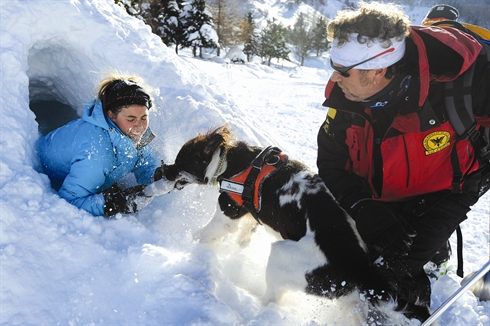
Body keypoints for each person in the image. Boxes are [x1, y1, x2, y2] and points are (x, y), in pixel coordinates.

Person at [317, 1, 490, 319]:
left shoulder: (471, 82)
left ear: (378, 70)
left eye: (342, 71)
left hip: (449, 187)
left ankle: (421, 283)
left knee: (389, 275)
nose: (334, 78)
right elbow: (330, 159)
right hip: (378, 188)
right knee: (351, 261)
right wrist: (362, 207)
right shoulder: (346, 94)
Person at [38, 72, 163, 217]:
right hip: (48, 174)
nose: (140, 126)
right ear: (111, 115)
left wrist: (158, 176)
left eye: (144, 117)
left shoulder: (134, 134)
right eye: (131, 119)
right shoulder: (97, 151)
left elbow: (145, 163)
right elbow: (70, 201)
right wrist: (114, 202)